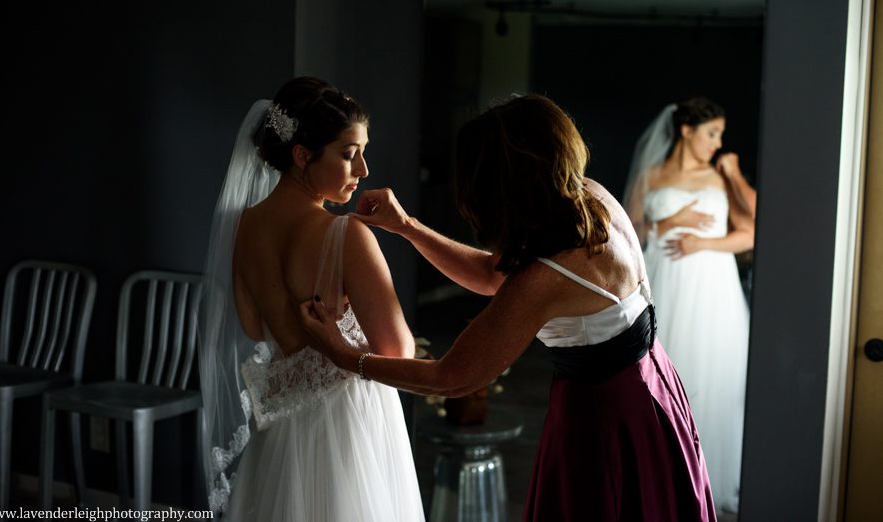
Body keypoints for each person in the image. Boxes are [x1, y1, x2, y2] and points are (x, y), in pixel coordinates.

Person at [300, 94, 717, 521]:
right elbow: (490, 273)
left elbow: (451, 377)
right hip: (650, 388)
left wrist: (344, 356)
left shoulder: (545, 279)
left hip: (606, 422)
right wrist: (407, 227)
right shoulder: (590, 197)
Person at [198, 77, 424, 521]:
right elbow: (398, 352)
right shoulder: (347, 235)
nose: (363, 170)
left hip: (282, 432)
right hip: (347, 428)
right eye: (348, 154)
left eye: (362, 152)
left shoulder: (241, 226)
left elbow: (250, 326)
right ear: (302, 155)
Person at [622, 97, 755, 513]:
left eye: (720, 134)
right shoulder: (651, 175)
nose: (717, 143)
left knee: (715, 370)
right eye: (712, 133)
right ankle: (662, 473)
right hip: (665, 284)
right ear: (686, 130)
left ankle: (710, 474)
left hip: (713, 288)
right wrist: (667, 224)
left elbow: (753, 227)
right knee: (665, 370)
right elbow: (628, 235)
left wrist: (703, 241)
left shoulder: (719, 174)